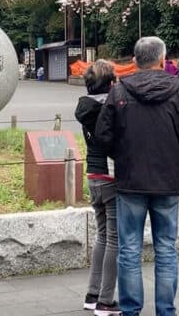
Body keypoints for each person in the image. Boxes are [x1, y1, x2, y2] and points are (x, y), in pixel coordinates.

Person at [94, 37, 179, 316]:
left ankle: (131, 311)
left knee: (129, 249)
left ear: (135, 60)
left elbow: (103, 136)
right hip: (167, 181)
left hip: (130, 180)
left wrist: (122, 152)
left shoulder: (119, 92)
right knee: (166, 248)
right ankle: (166, 311)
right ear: (162, 59)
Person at [75, 61, 120, 315]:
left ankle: (92, 294)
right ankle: (105, 300)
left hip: (92, 174)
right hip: (111, 174)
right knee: (114, 238)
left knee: (102, 235)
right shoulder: (110, 107)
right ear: (111, 82)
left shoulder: (85, 106)